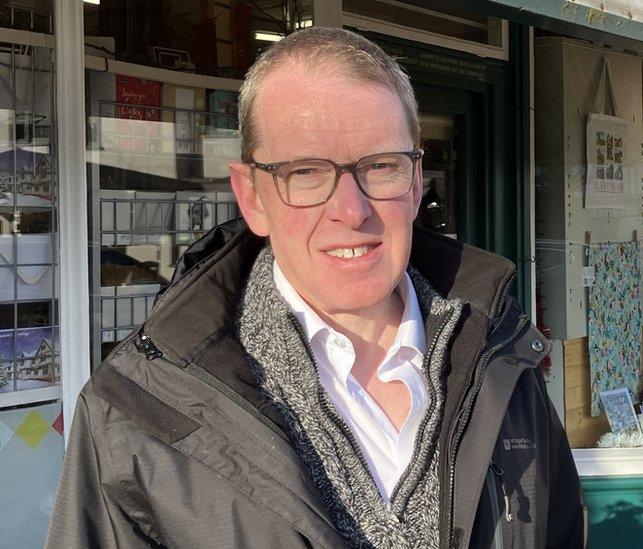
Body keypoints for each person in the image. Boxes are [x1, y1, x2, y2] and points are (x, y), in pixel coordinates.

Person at [46, 27, 585, 549]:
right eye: (305, 173)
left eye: (380, 166)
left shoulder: (501, 358)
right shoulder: (137, 415)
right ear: (252, 196)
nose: (351, 211)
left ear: (417, 184)